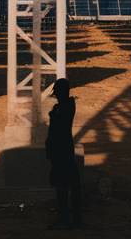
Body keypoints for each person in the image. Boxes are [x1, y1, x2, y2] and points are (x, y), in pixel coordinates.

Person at [46, 77, 82, 229]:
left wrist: (53, 114)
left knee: (63, 186)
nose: (57, 96)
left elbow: (58, 126)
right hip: (62, 150)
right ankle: (73, 219)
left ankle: (65, 219)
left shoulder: (65, 107)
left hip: (63, 151)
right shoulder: (62, 107)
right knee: (69, 185)